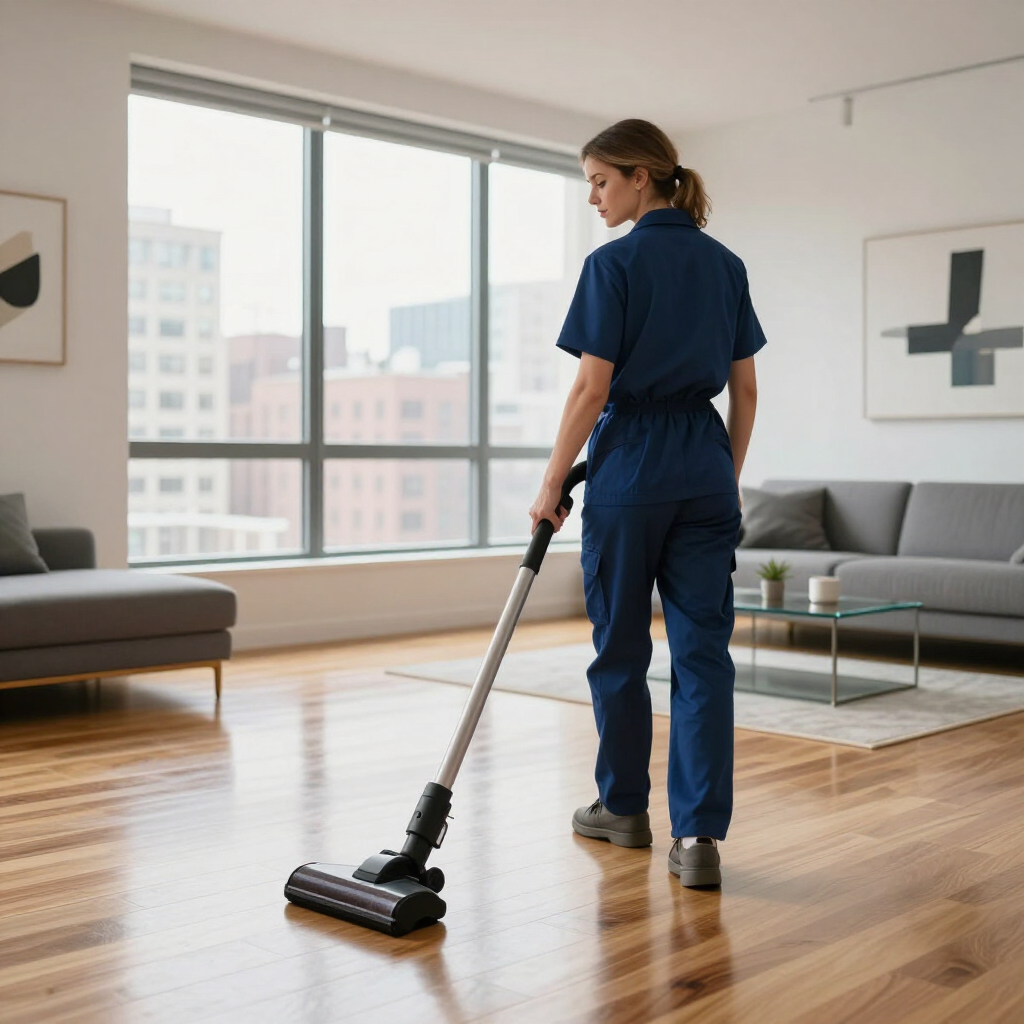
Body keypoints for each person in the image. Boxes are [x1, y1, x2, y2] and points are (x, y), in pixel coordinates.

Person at [529, 119, 765, 889]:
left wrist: (551, 482)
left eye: (600, 181)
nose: (593, 197)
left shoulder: (615, 264)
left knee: (622, 647)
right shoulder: (725, 265)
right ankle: (698, 840)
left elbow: (591, 388)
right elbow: (746, 391)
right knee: (704, 656)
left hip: (630, 466)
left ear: (640, 176)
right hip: (703, 464)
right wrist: (721, 478)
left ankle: (623, 808)